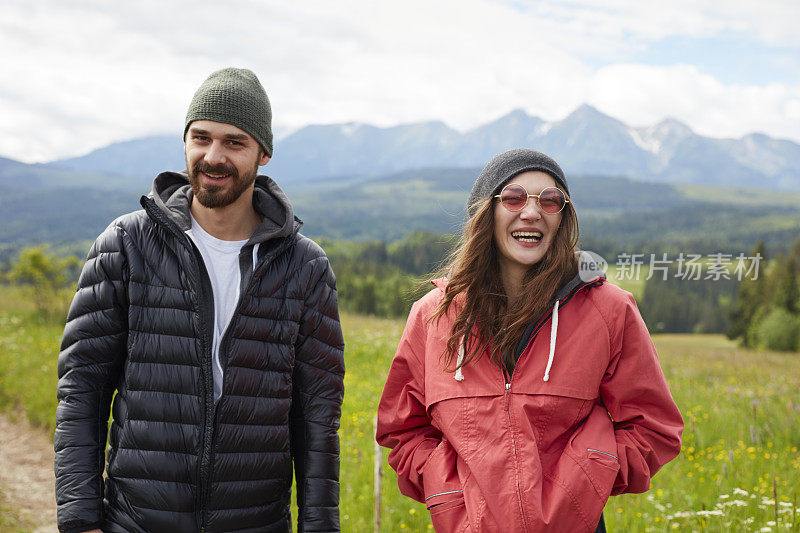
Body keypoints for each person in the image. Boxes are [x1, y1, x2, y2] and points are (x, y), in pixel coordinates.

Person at [55, 68, 345, 533]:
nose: (213, 156)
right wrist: (80, 519)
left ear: (263, 154)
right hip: (136, 521)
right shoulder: (126, 244)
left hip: (257, 523)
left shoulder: (305, 268)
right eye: (201, 138)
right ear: (185, 141)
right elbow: (81, 392)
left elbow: (317, 421)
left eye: (234, 142)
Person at [376, 149, 683, 532]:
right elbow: (403, 431)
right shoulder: (433, 316)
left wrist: (589, 478)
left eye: (550, 200)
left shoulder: (610, 310)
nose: (532, 212)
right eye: (514, 197)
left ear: (562, 218)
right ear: (485, 213)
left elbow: (654, 425)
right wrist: (446, 487)